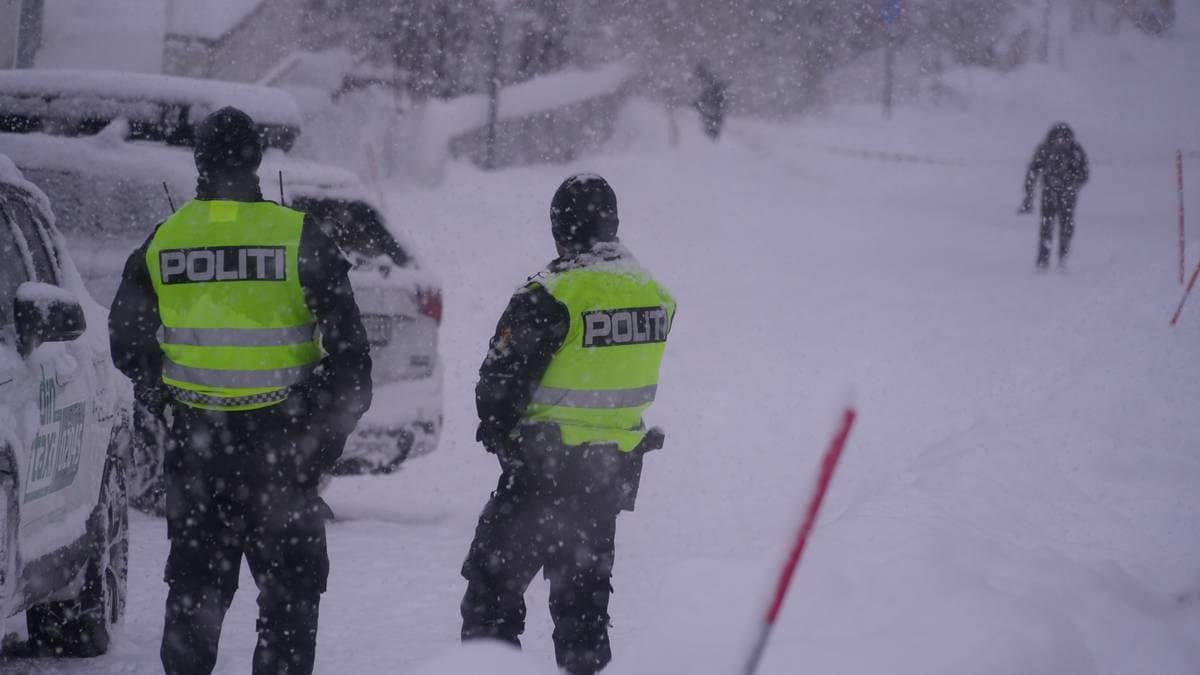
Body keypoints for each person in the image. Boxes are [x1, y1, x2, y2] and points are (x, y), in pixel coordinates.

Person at [108, 106, 372, 675]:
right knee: (289, 608)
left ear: (199, 161)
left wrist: (167, 399)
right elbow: (352, 361)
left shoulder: (166, 241)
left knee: (194, 604)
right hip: (284, 452)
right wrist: (319, 441)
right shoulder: (298, 237)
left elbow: (126, 343)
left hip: (199, 453)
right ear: (258, 159)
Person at [459, 173, 675, 674]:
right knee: (583, 618)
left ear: (560, 227)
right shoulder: (655, 295)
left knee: (490, 604)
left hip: (540, 472)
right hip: (607, 478)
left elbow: (496, 392)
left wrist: (503, 438)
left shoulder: (550, 294)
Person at [1021, 122, 1090, 270]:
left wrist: (1072, 184)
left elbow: (1084, 173)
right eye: (1058, 139)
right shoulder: (1046, 150)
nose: (1062, 143)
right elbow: (1033, 171)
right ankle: (1043, 260)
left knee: (1066, 226)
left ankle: (1062, 258)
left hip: (1068, 195)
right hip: (1049, 194)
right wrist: (1029, 195)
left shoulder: (1075, 151)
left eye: (1065, 139)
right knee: (1047, 226)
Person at [693, 61, 728, 140]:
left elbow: (706, 98)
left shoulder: (711, 85)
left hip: (712, 111)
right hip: (713, 111)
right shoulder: (712, 84)